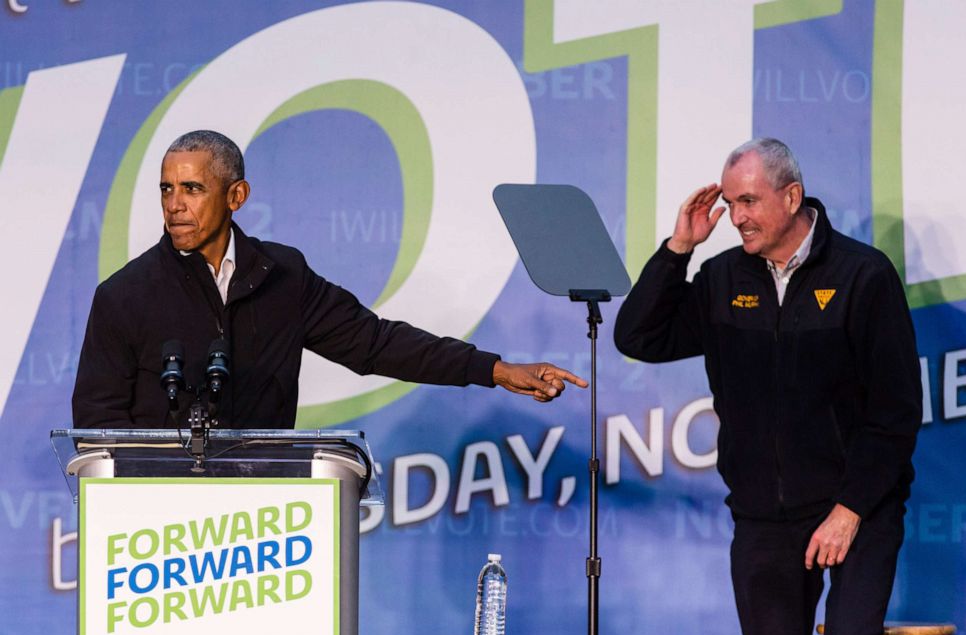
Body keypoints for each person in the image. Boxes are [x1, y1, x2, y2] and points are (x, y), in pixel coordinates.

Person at [614, 138, 921, 635]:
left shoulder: (861, 275)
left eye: (748, 202)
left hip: (856, 506)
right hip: (764, 516)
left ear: (793, 196)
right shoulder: (721, 278)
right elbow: (637, 337)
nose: (736, 218)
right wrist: (678, 250)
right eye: (730, 203)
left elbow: (895, 412)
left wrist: (849, 509)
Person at [72, 130, 586, 429]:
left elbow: (376, 344)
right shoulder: (124, 296)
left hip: (261, 527)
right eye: (166, 189)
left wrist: (494, 369)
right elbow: (96, 428)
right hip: (155, 534)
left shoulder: (282, 276)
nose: (174, 205)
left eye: (191, 188)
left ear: (235, 196)